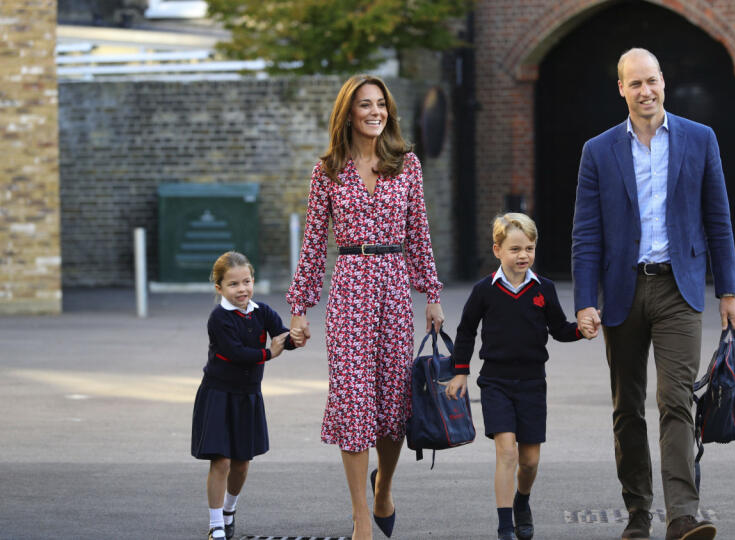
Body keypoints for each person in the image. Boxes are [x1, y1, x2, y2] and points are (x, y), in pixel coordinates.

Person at [571, 48, 735, 540]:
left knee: (676, 401)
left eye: (652, 81)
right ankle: (638, 513)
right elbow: (586, 234)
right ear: (621, 89)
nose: (645, 91)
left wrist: (727, 290)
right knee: (627, 406)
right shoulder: (598, 151)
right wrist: (585, 300)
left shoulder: (699, 139)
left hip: (678, 289)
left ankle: (683, 515)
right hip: (623, 291)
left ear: (663, 81)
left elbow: (718, 219)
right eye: (635, 84)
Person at [285, 74, 444, 540]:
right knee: (355, 405)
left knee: (394, 407)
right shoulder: (328, 170)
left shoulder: (406, 164)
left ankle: (384, 487)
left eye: (381, 105)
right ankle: (360, 523)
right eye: (365, 105)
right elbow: (314, 245)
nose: (375, 112)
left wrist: (431, 294)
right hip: (350, 288)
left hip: (394, 288)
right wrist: (300, 306)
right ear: (348, 114)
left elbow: (419, 233)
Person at [446, 212, 582, 540]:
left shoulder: (544, 289)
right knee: (507, 451)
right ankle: (505, 525)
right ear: (497, 250)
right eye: (515, 249)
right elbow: (465, 331)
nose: (523, 255)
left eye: (530, 248)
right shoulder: (484, 291)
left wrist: (581, 330)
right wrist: (460, 372)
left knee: (530, 460)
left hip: (533, 383)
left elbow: (560, 329)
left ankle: (522, 501)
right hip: (495, 382)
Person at [191, 251, 296, 540]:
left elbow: (282, 334)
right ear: (219, 288)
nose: (242, 289)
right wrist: (269, 353)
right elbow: (235, 353)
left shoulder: (262, 311)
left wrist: (295, 337)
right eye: (234, 284)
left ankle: (229, 510)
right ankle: (216, 525)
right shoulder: (219, 318)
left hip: (248, 396)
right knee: (221, 460)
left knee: (241, 462)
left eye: (247, 281)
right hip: (218, 394)